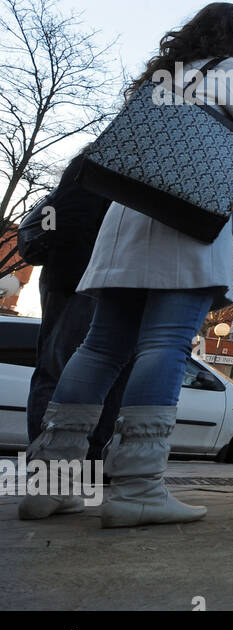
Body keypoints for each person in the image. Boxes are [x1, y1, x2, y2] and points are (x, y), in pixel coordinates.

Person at [19, 2, 233, 526]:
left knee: (99, 349)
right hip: (188, 224)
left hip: (124, 229)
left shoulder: (161, 78)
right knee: (164, 345)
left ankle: (50, 484)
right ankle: (138, 488)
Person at [24, 151, 129, 463]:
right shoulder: (102, 161)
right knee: (64, 372)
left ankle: (65, 468)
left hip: (86, 279)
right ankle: (56, 468)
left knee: (68, 372)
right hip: (83, 280)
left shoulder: (98, 161)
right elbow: (66, 220)